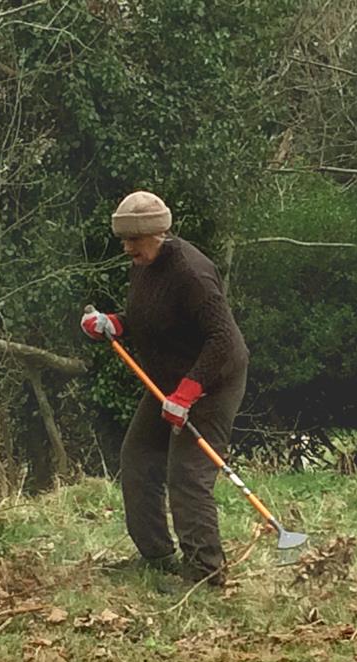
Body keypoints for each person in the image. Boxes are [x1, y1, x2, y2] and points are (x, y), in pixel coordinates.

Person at [81, 191, 249, 586]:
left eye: (132, 240)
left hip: (213, 381)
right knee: (137, 458)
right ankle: (156, 556)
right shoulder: (145, 264)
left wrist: (188, 393)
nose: (126, 248)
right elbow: (150, 317)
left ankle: (206, 574)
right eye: (124, 240)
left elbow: (221, 339)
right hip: (168, 381)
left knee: (188, 475)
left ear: (156, 233)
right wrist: (113, 324)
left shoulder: (193, 273)